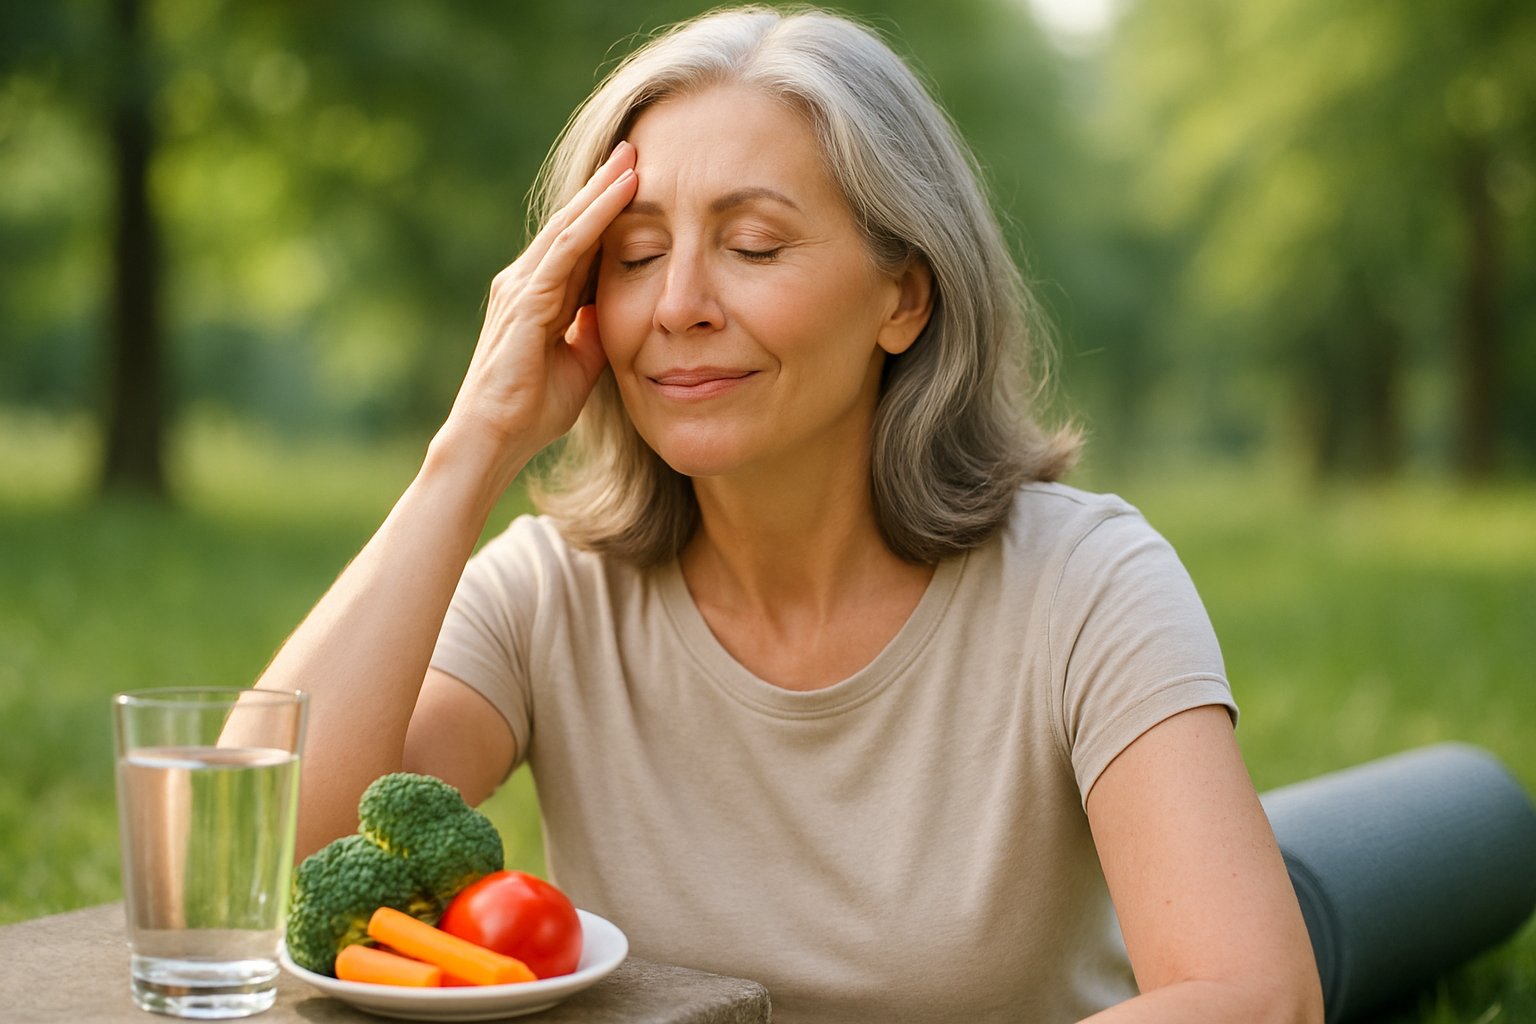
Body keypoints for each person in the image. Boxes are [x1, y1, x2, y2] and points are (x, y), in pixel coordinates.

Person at [256, 6, 1324, 1022]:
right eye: (632, 257)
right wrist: (468, 453)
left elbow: (1258, 995)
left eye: (754, 246)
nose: (678, 304)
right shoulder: (551, 595)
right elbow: (252, 852)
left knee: (1415, 852)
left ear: (903, 297)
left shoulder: (1084, 582)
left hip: (1329, 890)